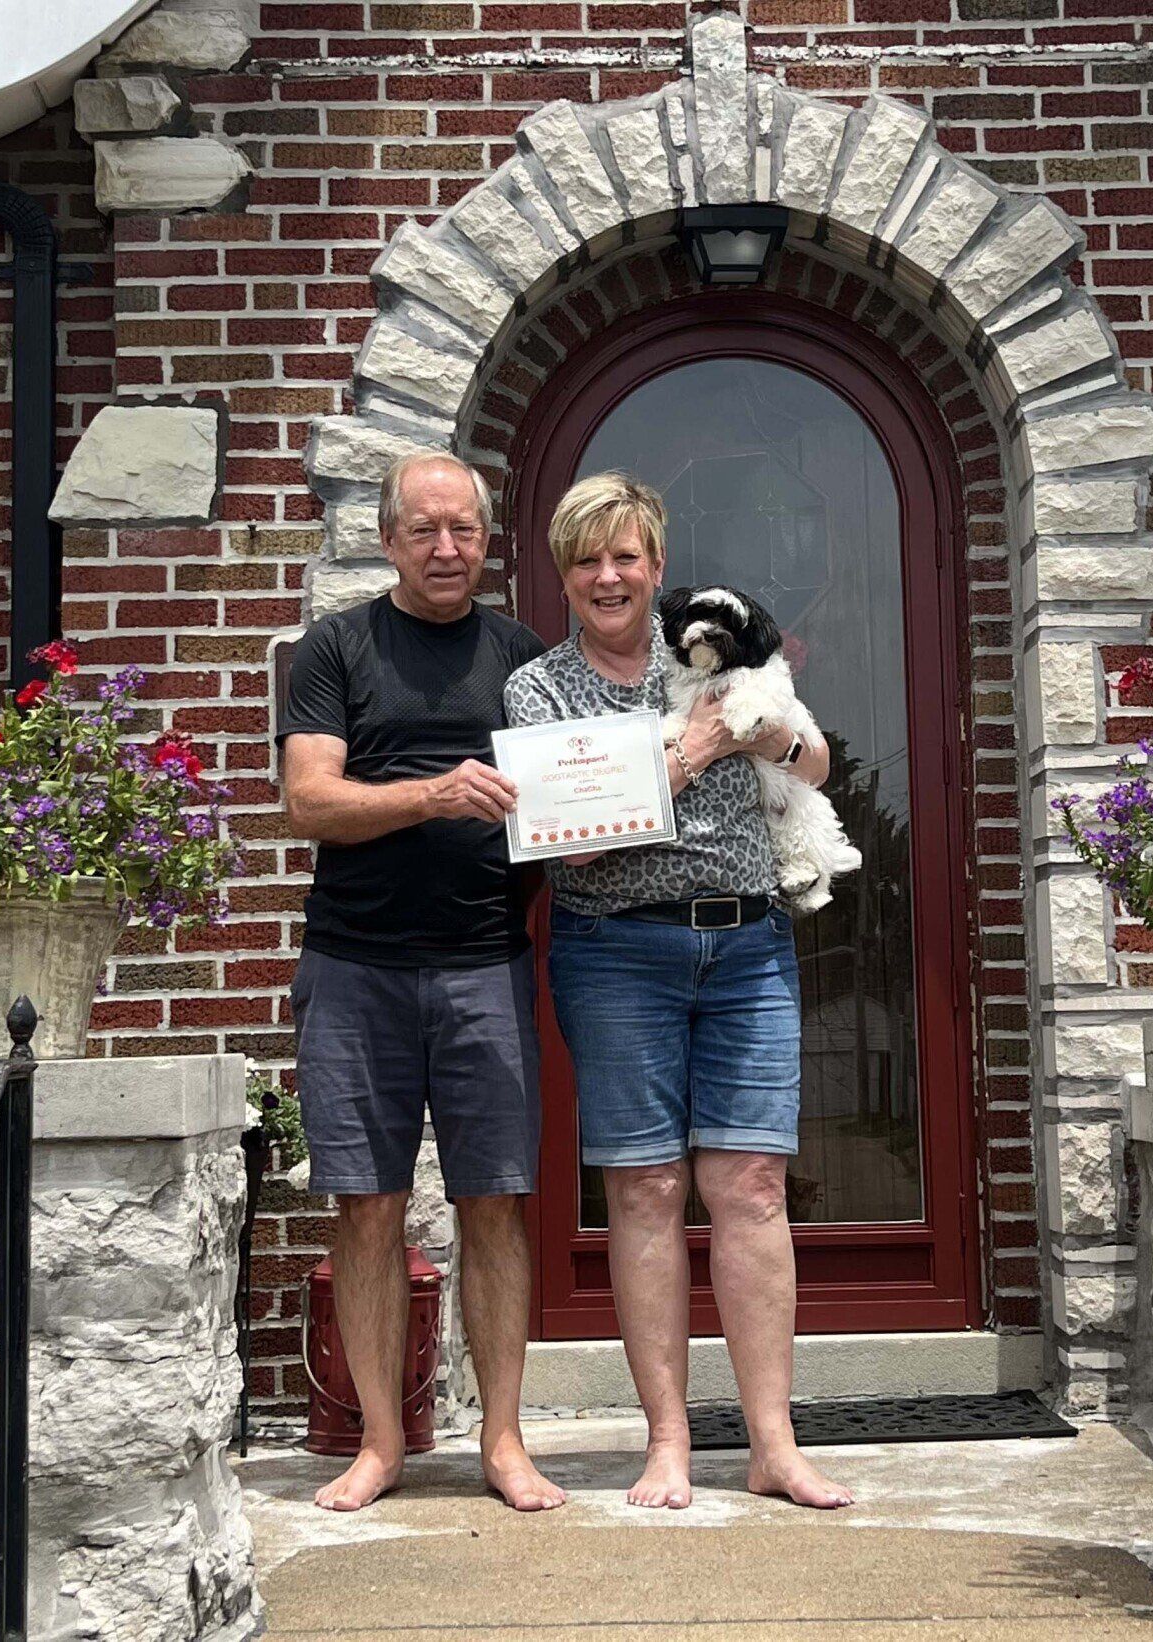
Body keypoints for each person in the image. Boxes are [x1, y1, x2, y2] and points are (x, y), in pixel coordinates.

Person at [503, 471, 854, 1512]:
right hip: (617, 952)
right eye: (585, 558)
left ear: (655, 565)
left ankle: (772, 1445)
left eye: (626, 556)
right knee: (646, 1189)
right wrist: (699, 746)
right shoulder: (542, 690)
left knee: (749, 1189)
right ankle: (666, 1443)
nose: (608, 575)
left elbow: (817, 756)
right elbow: (578, 831)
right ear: (563, 575)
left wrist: (771, 736)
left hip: (748, 947)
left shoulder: (714, 644)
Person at [278, 451, 564, 1514]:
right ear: (389, 539)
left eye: (465, 531)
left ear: (488, 542)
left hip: (488, 961)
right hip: (355, 967)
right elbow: (309, 801)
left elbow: (568, 792)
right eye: (425, 530)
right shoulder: (335, 647)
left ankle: (502, 1440)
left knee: (495, 1203)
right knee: (369, 1206)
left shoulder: (524, 655)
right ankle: (381, 1442)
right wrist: (434, 794)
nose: (447, 549)